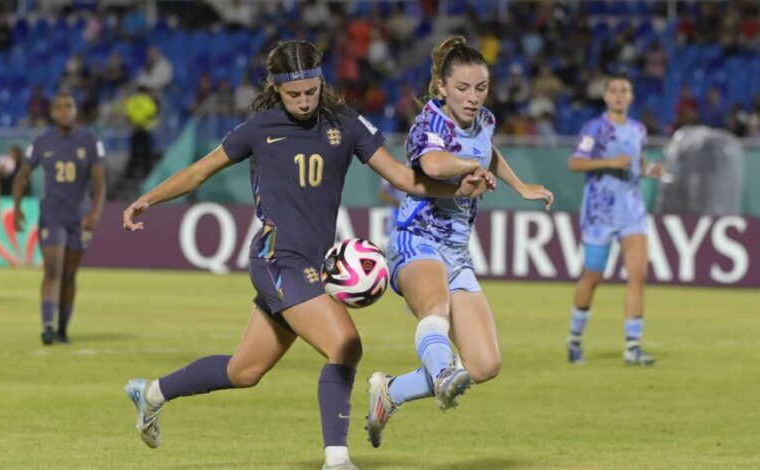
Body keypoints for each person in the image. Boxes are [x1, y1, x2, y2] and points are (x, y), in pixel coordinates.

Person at [120, 39, 494, 470]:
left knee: (245, 371)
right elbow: (199, 171)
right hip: (277, 259)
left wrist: (456, 189)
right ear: (276, 89)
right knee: (345, 344)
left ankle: (151, 394)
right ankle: (337, 461)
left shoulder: (346, 124)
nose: (303, 101)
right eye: (293, 94)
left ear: (321, 81)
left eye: (311, 91)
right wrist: (147, 198)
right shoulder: (259, 128)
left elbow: (403, 178)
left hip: (313, 264)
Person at [365, 35, 554, 449]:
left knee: (485, 364)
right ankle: (442, 373)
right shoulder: (428, 123)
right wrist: (469, 166)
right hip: (417, 240)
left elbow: (488, 150)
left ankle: (391, 392)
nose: (473, 98)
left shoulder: (484, 120)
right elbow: (433, 164)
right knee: (435, 309)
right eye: (463, 88)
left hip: (457, 253)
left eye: (481, 88)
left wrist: (520, 185)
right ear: (442, 87)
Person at [565, 73, 664, 367]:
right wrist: (610, 162)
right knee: (593, 277)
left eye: (625, 90)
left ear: (631, 96)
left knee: (638, 275)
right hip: (600, 214)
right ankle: (574, 339)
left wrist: (651, 171)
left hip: (632, 212)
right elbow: (575, 162)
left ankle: (633, 347)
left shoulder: (638, 130)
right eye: (614, 90)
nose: (619, 95)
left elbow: (638, 166)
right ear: (606, 96)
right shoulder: (594, 129)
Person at [12, 92, 107, 345]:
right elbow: (22, 176)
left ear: (75, 110)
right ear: (52, 113)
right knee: (53, 268)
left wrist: (95, 214)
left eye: (69, 106)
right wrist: (17, 209)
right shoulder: (42, 141)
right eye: (59, 107)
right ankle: (47, 326)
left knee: (69, 274)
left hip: (79, 217)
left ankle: (63, 329)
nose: (65, 111)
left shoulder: (90, 141)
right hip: (52, 214)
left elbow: (100, 184)